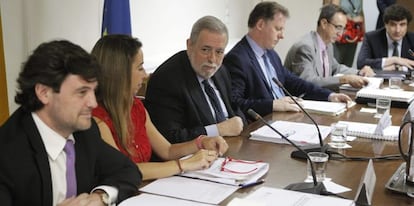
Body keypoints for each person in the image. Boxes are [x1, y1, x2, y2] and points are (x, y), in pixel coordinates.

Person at [0, 40, 141, 206]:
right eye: (82, 92)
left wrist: (100, 197)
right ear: (44, 93)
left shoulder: (84, 132)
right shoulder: (7, 153)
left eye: (93, 91)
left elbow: (128, 170)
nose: (93, 103)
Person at [91, 34, 228, 181]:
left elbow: (167, 151)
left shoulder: (135, 106)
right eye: (140, 68)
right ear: (119, 73)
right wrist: (183, 165)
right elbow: (124, 170)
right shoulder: (96, 119)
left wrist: (201, 142)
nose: (144, 75)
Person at [223, 1, 352, 118]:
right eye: (278, 29)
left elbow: (294, 82)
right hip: (263, 124)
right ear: (260, 24)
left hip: (286, 117)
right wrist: (273, 105)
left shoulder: (270, 54)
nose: (282, 36)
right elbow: (235, 103)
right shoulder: (237, 58)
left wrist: (329, 96)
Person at [145, 16, 246, 144]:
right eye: (205, 50)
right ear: (190, 45)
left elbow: (234, 109)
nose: (212, 59)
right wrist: (218, 130)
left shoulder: (221, 71)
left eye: (219, 52)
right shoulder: (167, 80)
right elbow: (170, 137)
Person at [284, 4, 375, 91]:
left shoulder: (328, 44)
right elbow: (308, 82)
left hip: (320, 95)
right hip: (300, 100)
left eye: (343, 28)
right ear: (324, 23)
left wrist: (359, 72)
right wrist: (343, 79)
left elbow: (335, 67)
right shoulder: (305, 47)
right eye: (338, 27)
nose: (341, 33)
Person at [357, 4, 414, 71]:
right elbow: (361, 63)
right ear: (385, 25)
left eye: (402, 25)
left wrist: (397, 68)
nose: (398, 30)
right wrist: (394, 60)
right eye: (393, 25)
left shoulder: (412, 39)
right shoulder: (371, 38)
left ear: (407, 25)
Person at [325, 0, 365, 67]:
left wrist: (363, 30)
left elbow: (360, 12)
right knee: (336, 63)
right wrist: (352, 19)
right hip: (341, 30)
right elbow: (334, 11)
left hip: (354, 32)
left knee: (348, 64)